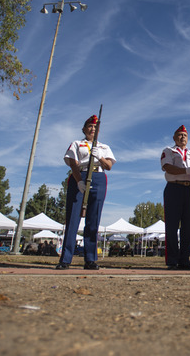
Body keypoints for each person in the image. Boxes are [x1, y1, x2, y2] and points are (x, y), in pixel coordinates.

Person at [56, 115, 116, 270]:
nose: (92, 129)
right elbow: (73, 163)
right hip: (80, 175)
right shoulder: (77, 144)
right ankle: (66, 259)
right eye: (90, 126)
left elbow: (109, 166)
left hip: (98, 177)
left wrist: (100, 157)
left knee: (93, 220)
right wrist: (79, 181)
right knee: (73, 219)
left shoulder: (104, 147)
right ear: (84, 129)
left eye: (95, 127)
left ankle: (90, 259)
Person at [160, 125, 190, 270]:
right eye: (180, 135)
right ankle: (172, 260)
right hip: (174, 188)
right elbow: (168, 167)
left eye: (185, 135)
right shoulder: (169, 151)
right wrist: (186, 170)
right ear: (174, 138)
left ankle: (184, 260)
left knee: (189, 226)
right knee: (172, 226)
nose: (183, 137)